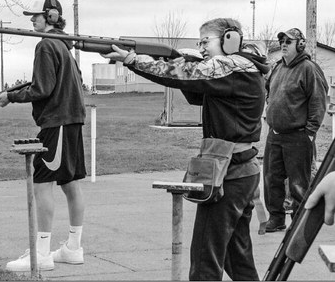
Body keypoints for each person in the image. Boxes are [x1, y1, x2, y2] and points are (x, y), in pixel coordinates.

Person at [100, 18, 270, 281]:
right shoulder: (241, 70)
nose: (201, 47)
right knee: (237, 258)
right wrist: (182, 62)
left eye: (206, 41)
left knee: (205, 258)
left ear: (230, 40)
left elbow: (181, 76)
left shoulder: (232, 68)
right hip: (238, 169)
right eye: (199, 42)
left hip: (230, 171)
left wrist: (133, 59)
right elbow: (195, 91)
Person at [0, 0, 86, 271]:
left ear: (51, 17)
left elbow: (42, 89)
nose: (32, 20)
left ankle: (42, 254)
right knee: (70, 183)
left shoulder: (46, 45)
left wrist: (10, 96)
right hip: (72, 121)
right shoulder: (65, 46)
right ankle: (73, 248)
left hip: (57, 122)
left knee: (43, 182)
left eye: (36, 16)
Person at [263, 28, 328, 233]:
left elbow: (318, 102)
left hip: (298, 136)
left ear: (300, 45)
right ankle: (276, 218)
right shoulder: (277, 68)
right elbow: (269, 93)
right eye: (282, 40)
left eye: (289, 41)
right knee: (271, 179)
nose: (283, 43)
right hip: (275, 135)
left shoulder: (309, 69)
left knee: (299, 183)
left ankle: (299, 222)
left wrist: (310, 132)